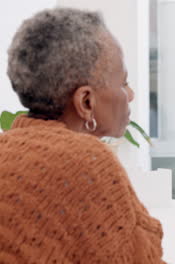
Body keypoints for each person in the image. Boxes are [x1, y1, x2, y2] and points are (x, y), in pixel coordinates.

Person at [0, 8, 166, 263]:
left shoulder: (6, 147)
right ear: (86, 102)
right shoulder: (84, 162)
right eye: (123, 82)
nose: (130, 95)